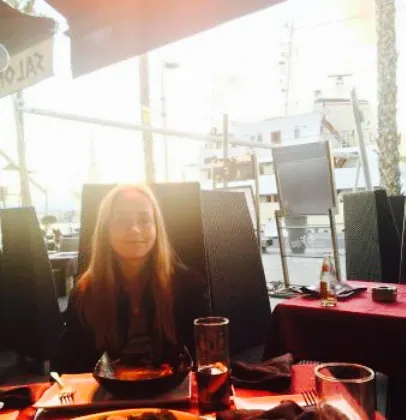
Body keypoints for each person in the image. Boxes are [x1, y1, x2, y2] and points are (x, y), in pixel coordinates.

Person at [51, 184, 210, 373]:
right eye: (122, 220)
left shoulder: (189, 286)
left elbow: (207, 360)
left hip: (174, 389)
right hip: (106, 391)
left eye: (144, 220)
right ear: (106, 230)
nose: (134, 229)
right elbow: (65, 368)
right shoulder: (85, 293)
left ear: (157, 228)